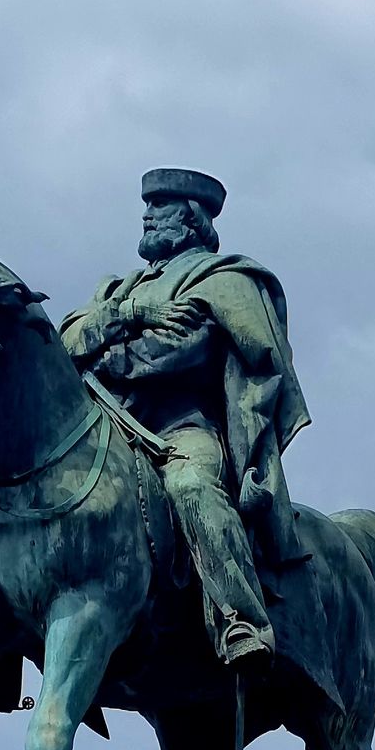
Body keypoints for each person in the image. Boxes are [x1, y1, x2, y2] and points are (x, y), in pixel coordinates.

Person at [62, 169, 309, 667]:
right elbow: (65, 342)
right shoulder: (119, 288)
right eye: (146, 207)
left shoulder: (223, 280)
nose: (148, 217)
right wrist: (129, 315)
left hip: (182, 428)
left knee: (192, 486)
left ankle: (241, 619)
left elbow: (175, 352)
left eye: (161, 207)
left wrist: (104, 351)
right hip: (108, 428)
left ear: (192, 218)